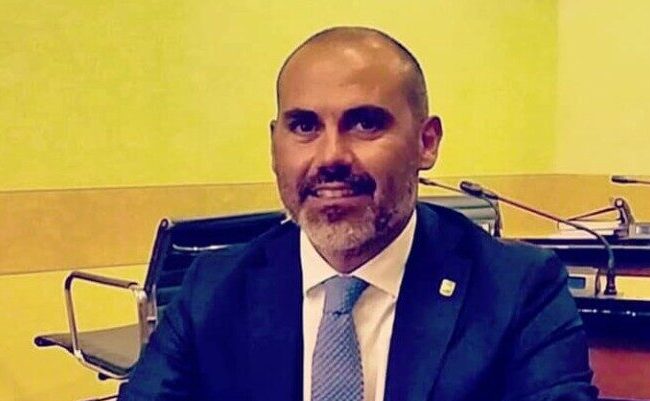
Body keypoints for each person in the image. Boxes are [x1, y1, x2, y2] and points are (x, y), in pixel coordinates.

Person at [120, 27, 597, 401]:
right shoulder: (214, 288)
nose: (331, 156)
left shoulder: (518, 289)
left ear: (426, 142)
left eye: (365, 123)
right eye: (303, 126)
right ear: (274, 145)